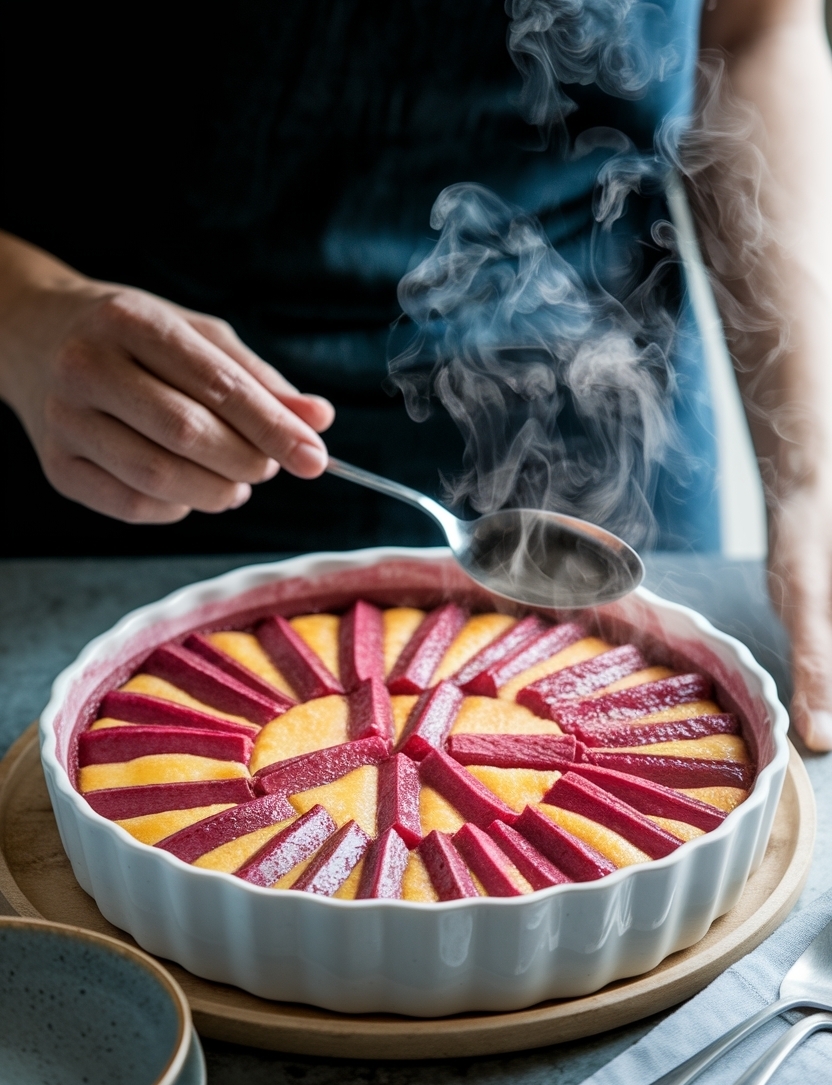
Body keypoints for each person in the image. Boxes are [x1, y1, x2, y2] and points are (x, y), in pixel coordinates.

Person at [0, 0, 829, 749]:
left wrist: (813, 469)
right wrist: (24, 318)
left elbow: (756, 30)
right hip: (126, 418)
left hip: (607, 403)